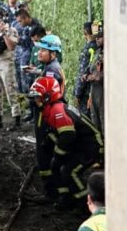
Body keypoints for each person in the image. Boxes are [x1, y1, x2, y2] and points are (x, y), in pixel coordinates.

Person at [29, 76, 104, 207]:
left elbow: (68, 134)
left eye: (38, 97)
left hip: (91, 148)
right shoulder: (53, 108)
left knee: (69, 171)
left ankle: (86, 202)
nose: (36, 101)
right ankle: (65, 198)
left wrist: (58, 155)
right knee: (58, 167)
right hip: (81, 146)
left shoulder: (57, 110)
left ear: (47, 96)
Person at [73, 22, 97, 117]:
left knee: (86, 119)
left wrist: (77, 93)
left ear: (85, 33)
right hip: (95, 89)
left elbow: (82, 72)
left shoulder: (88, 49)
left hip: (86, 91)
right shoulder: (99, 47)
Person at [85, 21, 104, 133]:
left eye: (100, 37)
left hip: (103, 92)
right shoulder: (97, 52)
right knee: (95, 120)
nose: (97, 39)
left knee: (103, 119)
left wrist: (98, 77)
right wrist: (86, 75)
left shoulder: (111, 53)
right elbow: (90, 67)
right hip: (94, 91)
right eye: (96, 37)